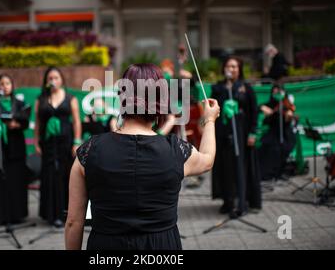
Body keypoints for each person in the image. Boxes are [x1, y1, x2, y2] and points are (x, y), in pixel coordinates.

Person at [65, 63, 220, 250]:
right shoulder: (176, 150)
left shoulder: (89, 151)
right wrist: (210, 120)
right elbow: (207, 159)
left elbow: (74, 221)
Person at [211, 56, 261, 215]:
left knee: (241, 168)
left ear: (239, 69)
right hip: (223, 134)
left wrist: (253, 132)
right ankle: (228, 201)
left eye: (234, 66)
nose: (231, 69)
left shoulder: (246, 88)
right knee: (225, 168)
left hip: (242, 134)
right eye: (228, 66)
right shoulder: (218, 87)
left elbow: (254, 112)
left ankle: (242, 202)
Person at [34, 67, 82, 228]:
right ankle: (50, 213)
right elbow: (38, 123)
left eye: (56, 77)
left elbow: (76, 121)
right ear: (46, 81)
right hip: (48, 142)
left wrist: (76, 141)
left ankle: (65, 212)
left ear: (61, 80)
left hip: (66, 142)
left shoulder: (70, 98)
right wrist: (36, 142)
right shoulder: (41, 99)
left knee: (64, 174)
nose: (53, 80)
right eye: (50, 78)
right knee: (49, 174)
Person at [0, 74, 30, 224]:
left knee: (16, 179)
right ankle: (1, 215)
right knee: (0, 180)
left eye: (8, 83)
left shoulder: (20, 103)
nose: (5, 86)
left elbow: (25, 123)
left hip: (16, 146)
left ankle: (17, 214)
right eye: (1, 84)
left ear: (12, 86)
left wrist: (16, 125)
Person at [258, 84, 297, 182]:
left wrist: (289, 116)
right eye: (274, 92)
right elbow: (258, 107)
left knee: (282, 147)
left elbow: (293, 117)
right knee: (266, 147)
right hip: (272, 133)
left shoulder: (287, 105)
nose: (277, 94)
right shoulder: (270, 104)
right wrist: (262, 108)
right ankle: (267, 173)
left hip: (285, 134)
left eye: (279, 92)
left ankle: (280, 171)